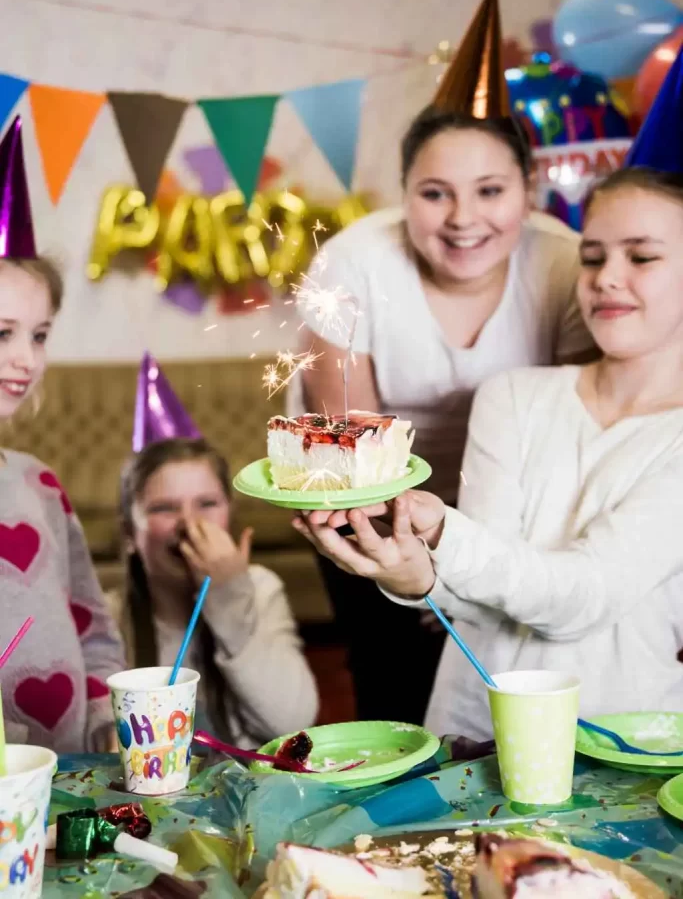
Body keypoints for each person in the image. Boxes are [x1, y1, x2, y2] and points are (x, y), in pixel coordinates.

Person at [288, 0, 594, 723]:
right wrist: (409, 558)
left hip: (512, 493)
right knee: (391, 678)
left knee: (507, 673)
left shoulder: (566, 263)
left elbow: (570, 434)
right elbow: (350, 440)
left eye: (490, 190)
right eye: (435, 193)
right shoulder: (352, 264)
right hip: (368, 487)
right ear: (403, 194)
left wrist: (465, 553)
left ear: (528, 189)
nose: (463, 220)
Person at [295, 164, 683, 739]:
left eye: (642, 257)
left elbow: (586, 594)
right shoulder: (512, 396)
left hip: (620, 753)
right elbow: (479, 592)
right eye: (594, 256)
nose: (606, 278)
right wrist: (415, 577)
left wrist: (444, 533)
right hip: (473, 732)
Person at [0, 117, 125, 752]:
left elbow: (92, 623)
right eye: (3, 333)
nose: (27, 358)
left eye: (40, 335)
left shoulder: (38, 484)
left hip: (72, 772)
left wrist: (104, 712)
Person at [121, 353, 318, 748]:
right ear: (129, 533)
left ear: (230, 514)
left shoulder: (260, 589)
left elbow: (295, 721)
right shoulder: (109, 616)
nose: (189, 524)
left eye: (206, 504)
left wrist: (229, 600)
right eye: (164, 508)